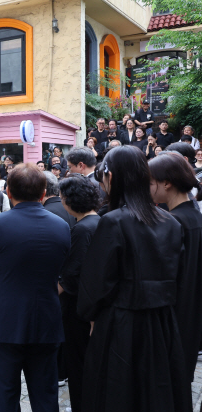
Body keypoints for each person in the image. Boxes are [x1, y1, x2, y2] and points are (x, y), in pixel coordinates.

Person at [77, 146, 191, 412]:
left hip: (121, 324)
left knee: (119, 392)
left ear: (112, 177)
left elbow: (95, 284)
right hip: (162, 323)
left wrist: (90, 315)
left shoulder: (114, 221)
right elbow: (180, 276)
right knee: (158, 389)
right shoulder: (172, 222)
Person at [0, 164, 70, 412]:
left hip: (4, 319)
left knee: (6, 395)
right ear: (43, 193)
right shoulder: (61, 226)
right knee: (45, 394)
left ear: (8, 192)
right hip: (46, 319)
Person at [149, 152, 202, 386]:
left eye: (150, 183)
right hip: (192, 316)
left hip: (174, 319)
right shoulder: (195, 217)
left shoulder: (173, 223)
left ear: (166, 183)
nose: (148, 189)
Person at [57, 175, 101, 412]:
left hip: (78, 311)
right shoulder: (99, 221)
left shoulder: (82, 229)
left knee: (78, 366)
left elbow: (72, 276)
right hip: (92, 309)